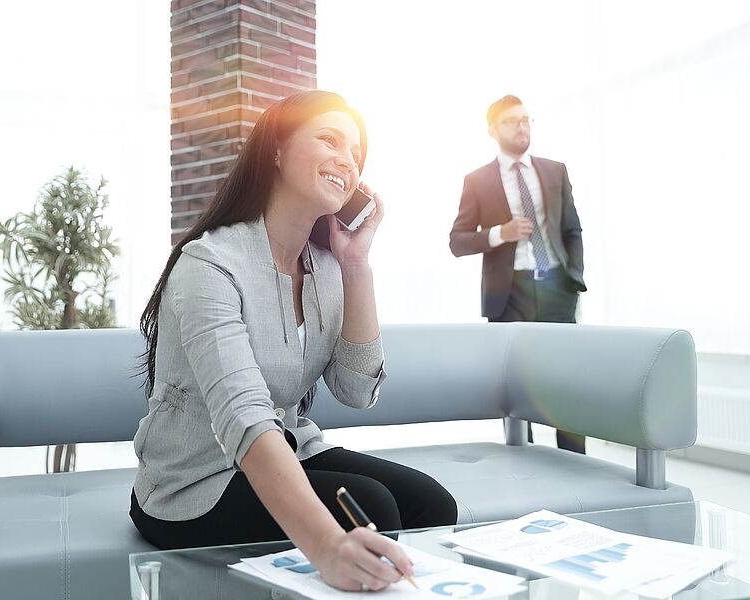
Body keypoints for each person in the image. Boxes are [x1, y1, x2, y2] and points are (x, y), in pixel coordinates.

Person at [131, 90, 458, 591]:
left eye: (356, 154)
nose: (346, 161)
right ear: (277, 150)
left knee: (432, 503)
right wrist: (327, 546)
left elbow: (355, 391)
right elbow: (244, 415)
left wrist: (356, 265)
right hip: (193, 482)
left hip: (290, 448)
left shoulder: (325, 268)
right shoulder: (209, 263)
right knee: (373, 509)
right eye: (329, 139)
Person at [449, 95, 587, 454]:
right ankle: (522, 458)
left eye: (526, 119)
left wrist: (574, 278)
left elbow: (572, 230)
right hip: (509, 293)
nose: (522, 127)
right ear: (492, 130)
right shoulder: (477, 180)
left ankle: (575, 461)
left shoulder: (555, 170)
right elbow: (457, 241)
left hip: (557, 287)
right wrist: (500, 233)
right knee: (517, 386)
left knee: (568, 382)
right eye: (512, 121)